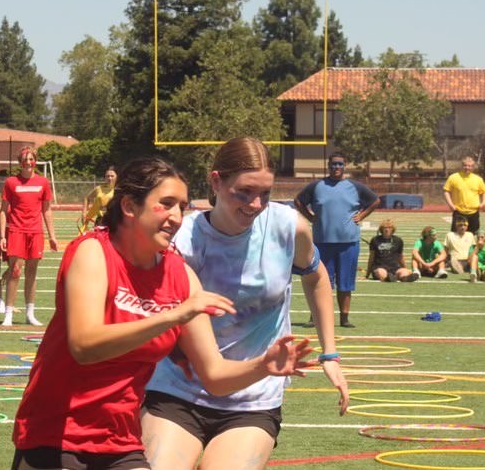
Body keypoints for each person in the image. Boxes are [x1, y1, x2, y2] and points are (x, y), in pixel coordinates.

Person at [10, 156, 314, 470]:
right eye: (166, 204)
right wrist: (171, 316)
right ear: (129, 206)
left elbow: (215, 377)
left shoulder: (179, 277)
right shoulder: (93, 251)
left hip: (119, 441)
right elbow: (84, 346)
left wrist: (262, 365)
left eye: (182, 206)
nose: (176, 217)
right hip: (56, 435)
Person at [142, 138, 350, 470]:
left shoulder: (288, 226)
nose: (255, 204)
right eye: (244, 192)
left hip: (253, 398)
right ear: (216, 182)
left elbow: (316, 277)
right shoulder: (184, 240)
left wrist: (330, 353)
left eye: (265, 194)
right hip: (178, 389)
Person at [294, 151, 379, 328]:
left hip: (348, 242)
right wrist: (310, 217)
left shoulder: (355, 187)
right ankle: (314, 316)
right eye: (333, 164)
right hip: (322, 242)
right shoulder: (317, 186)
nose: (336, 167)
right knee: (319, 281)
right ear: (328, 166)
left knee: (345, 281)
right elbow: (298, 201)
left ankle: (344, 318)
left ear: (345, 165)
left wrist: (361, 215)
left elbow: (375, 201)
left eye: (340, 164)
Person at [0, 147, 59, 327]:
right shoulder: (11, 182)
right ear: (20, 162)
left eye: (31, 159)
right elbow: (3, 211)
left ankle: (30, 313)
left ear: (35, 161)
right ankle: (8, 313)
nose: (28, 162)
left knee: (32, 273)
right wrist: (2, 235)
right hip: (17, 230)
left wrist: (52, 236)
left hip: (36, 232)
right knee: (15, 271)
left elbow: (47, 210)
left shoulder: (43, 182)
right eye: (25, 159)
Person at [443, 156, 485, 233]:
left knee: (473, 237)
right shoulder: (453, 177)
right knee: (456, 236)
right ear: (462, 166)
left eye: (469, 166)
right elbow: (446, 191)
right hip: (459, 212)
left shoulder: (478, 179)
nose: (467, 167)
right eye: (465, 165)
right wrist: (450, 204)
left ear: (473, 167)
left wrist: (484, 203)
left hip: (473, 213)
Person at [80, 166, 117, 234]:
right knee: (99, 242)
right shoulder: (99, 189)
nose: (110, 178)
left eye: (112, 176)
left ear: (117, 177)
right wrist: (84, 213)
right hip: (101, 220)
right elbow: (87, 198)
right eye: (107, 176)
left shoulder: (120, 190)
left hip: (114, 221)